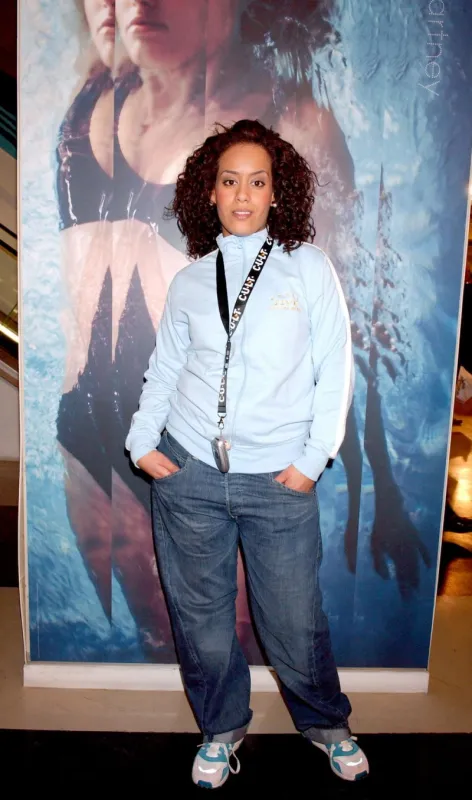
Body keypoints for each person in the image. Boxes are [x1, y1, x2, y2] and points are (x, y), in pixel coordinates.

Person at [126, 119, 369, 788]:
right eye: (229, 181)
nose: (242, 195)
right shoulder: (189, 281)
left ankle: (326, 725)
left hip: (278, 482)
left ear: (275, 192)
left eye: (256, 182)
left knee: (293, 622)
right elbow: (166, 369)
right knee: (202, 622)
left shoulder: (307, 268)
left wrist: (314, 459)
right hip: (189, 477)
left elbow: (334, 367)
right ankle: (220, 731)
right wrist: (142, 443)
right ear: (209, 192)